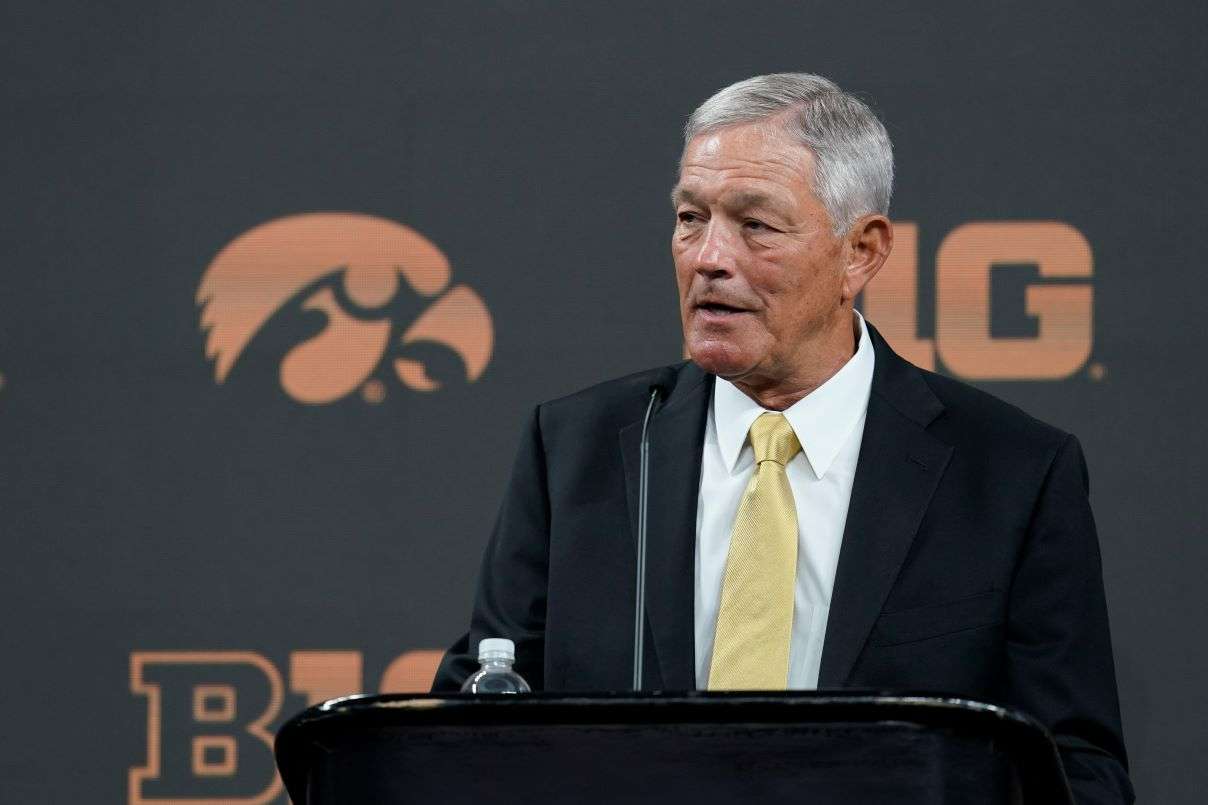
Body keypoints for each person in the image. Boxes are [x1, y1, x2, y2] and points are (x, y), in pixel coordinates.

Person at [432, 73, 1132, 804]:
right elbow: (478, 720)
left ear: (860, 251)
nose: (708, 256)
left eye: (755, 225)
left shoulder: (1012, 475)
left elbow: (1080, 773)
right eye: (689, 217)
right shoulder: (578, 449)